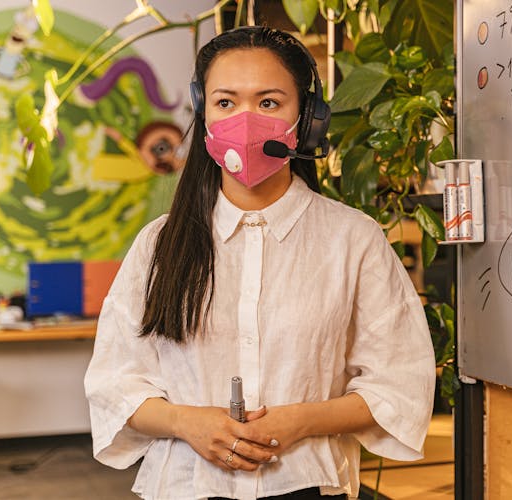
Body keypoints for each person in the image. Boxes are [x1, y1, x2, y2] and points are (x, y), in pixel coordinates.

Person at [84, 26, 436, 500]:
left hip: (307, 484)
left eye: (269, 102)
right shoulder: (159, 244)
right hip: (186, 487)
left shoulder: (354, 239)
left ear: (307, 119)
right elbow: (113, 384)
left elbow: (398, 382)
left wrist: (301, 420)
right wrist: (189, 422)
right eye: (226, 103)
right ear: (204, 113)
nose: (245, 120)